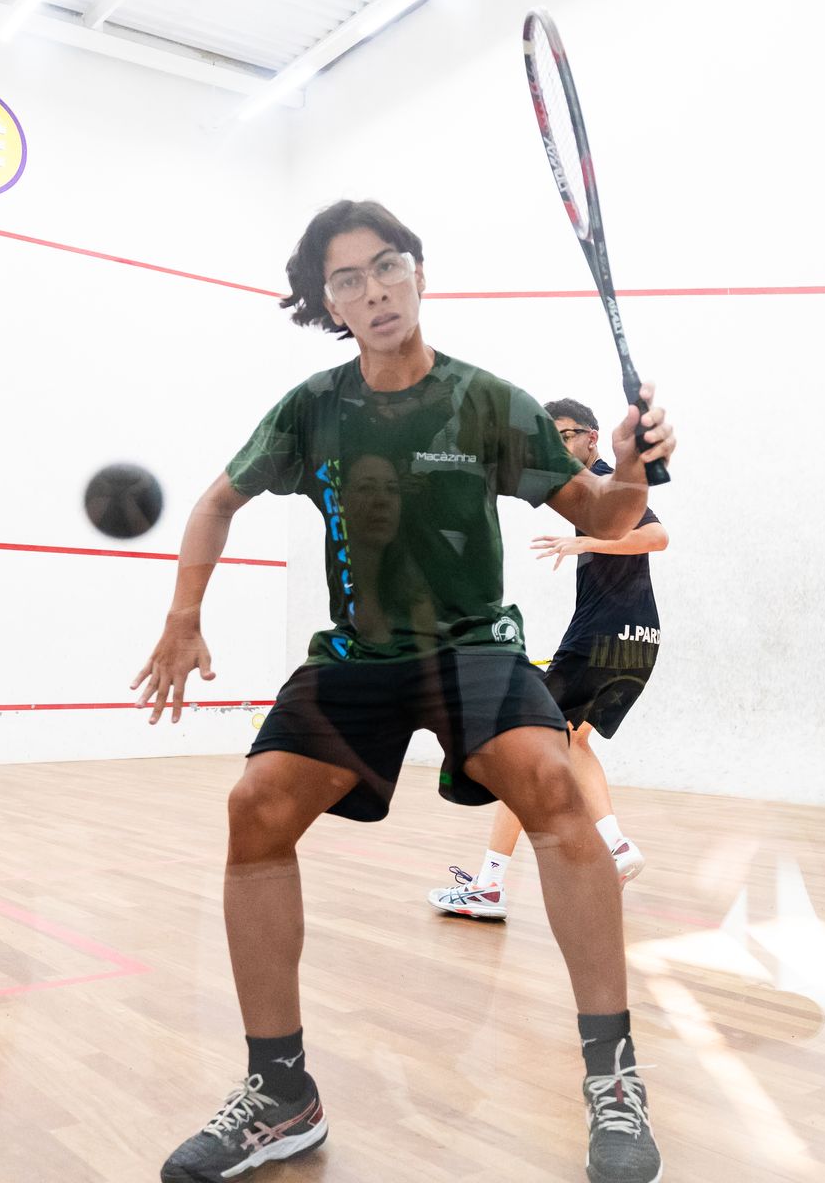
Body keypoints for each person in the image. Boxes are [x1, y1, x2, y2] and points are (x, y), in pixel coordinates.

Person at [133, 200, 675, 1183]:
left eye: (387, 266)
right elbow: (217, 500)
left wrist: (633, 464)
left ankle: (614, 1078)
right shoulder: (311, 408)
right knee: (257, 806)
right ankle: (282, 1093)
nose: (375, 290)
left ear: (418, 271)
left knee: (553, 786)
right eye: (348, 279)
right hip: (360, 655)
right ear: (329, 304)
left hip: (474, 648)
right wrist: (183, 614)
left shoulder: (487, 401)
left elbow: (602, 513)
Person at [428, 398, 668, 920]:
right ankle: (617, 847)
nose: (555, 447)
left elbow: (657, 536)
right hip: (640, 640)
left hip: (602, 636)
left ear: (592, 438)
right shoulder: (588, 489)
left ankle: (489, 886)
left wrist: (587, 541)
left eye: (563, 436)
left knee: (522, 750)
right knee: (572, 742)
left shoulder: (605, 483)